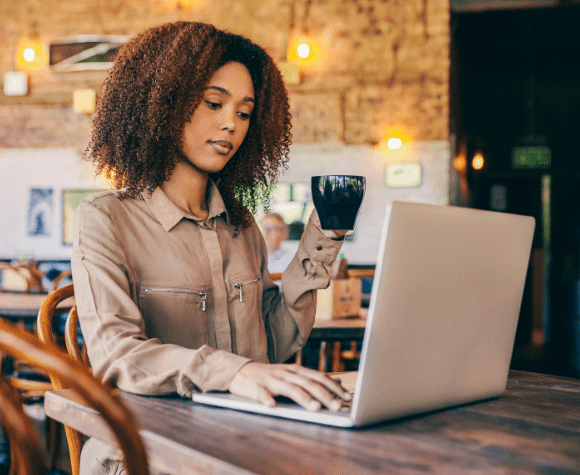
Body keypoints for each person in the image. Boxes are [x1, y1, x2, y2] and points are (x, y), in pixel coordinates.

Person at [72, 21, 351, 473]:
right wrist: (236, 372)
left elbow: (273, 348)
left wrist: (318, 245)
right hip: (146, 455)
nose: (230, 124)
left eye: (244, 113)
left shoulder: (240, 224)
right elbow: (118, 355)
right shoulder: (106, 218)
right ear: (162, 104)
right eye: (214, 103)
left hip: (241, 442)